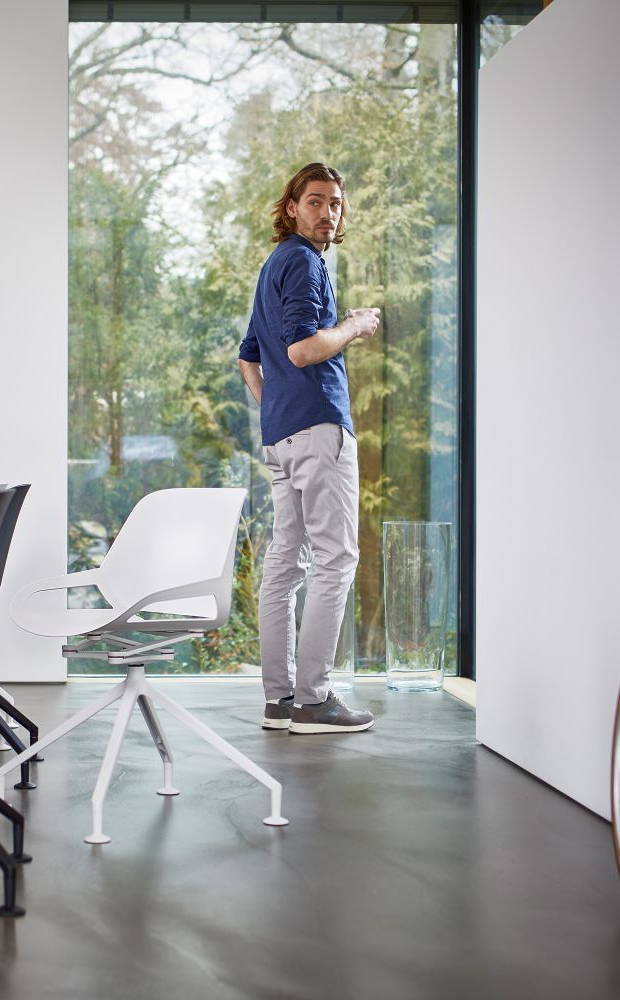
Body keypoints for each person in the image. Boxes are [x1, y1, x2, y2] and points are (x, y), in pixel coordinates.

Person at [237, 162, 381, 735]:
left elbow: (250, 354)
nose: (328, 213)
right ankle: (314, 700)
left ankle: (280, 700)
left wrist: (275, 406)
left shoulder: (273, 265)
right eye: (316, 201)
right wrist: (354, 325)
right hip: (320, 427)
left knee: (285, 565)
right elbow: (300, 350)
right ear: (292, 207)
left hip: (283, 434)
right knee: (336, 560)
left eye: (336, 204)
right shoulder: (302, 261)